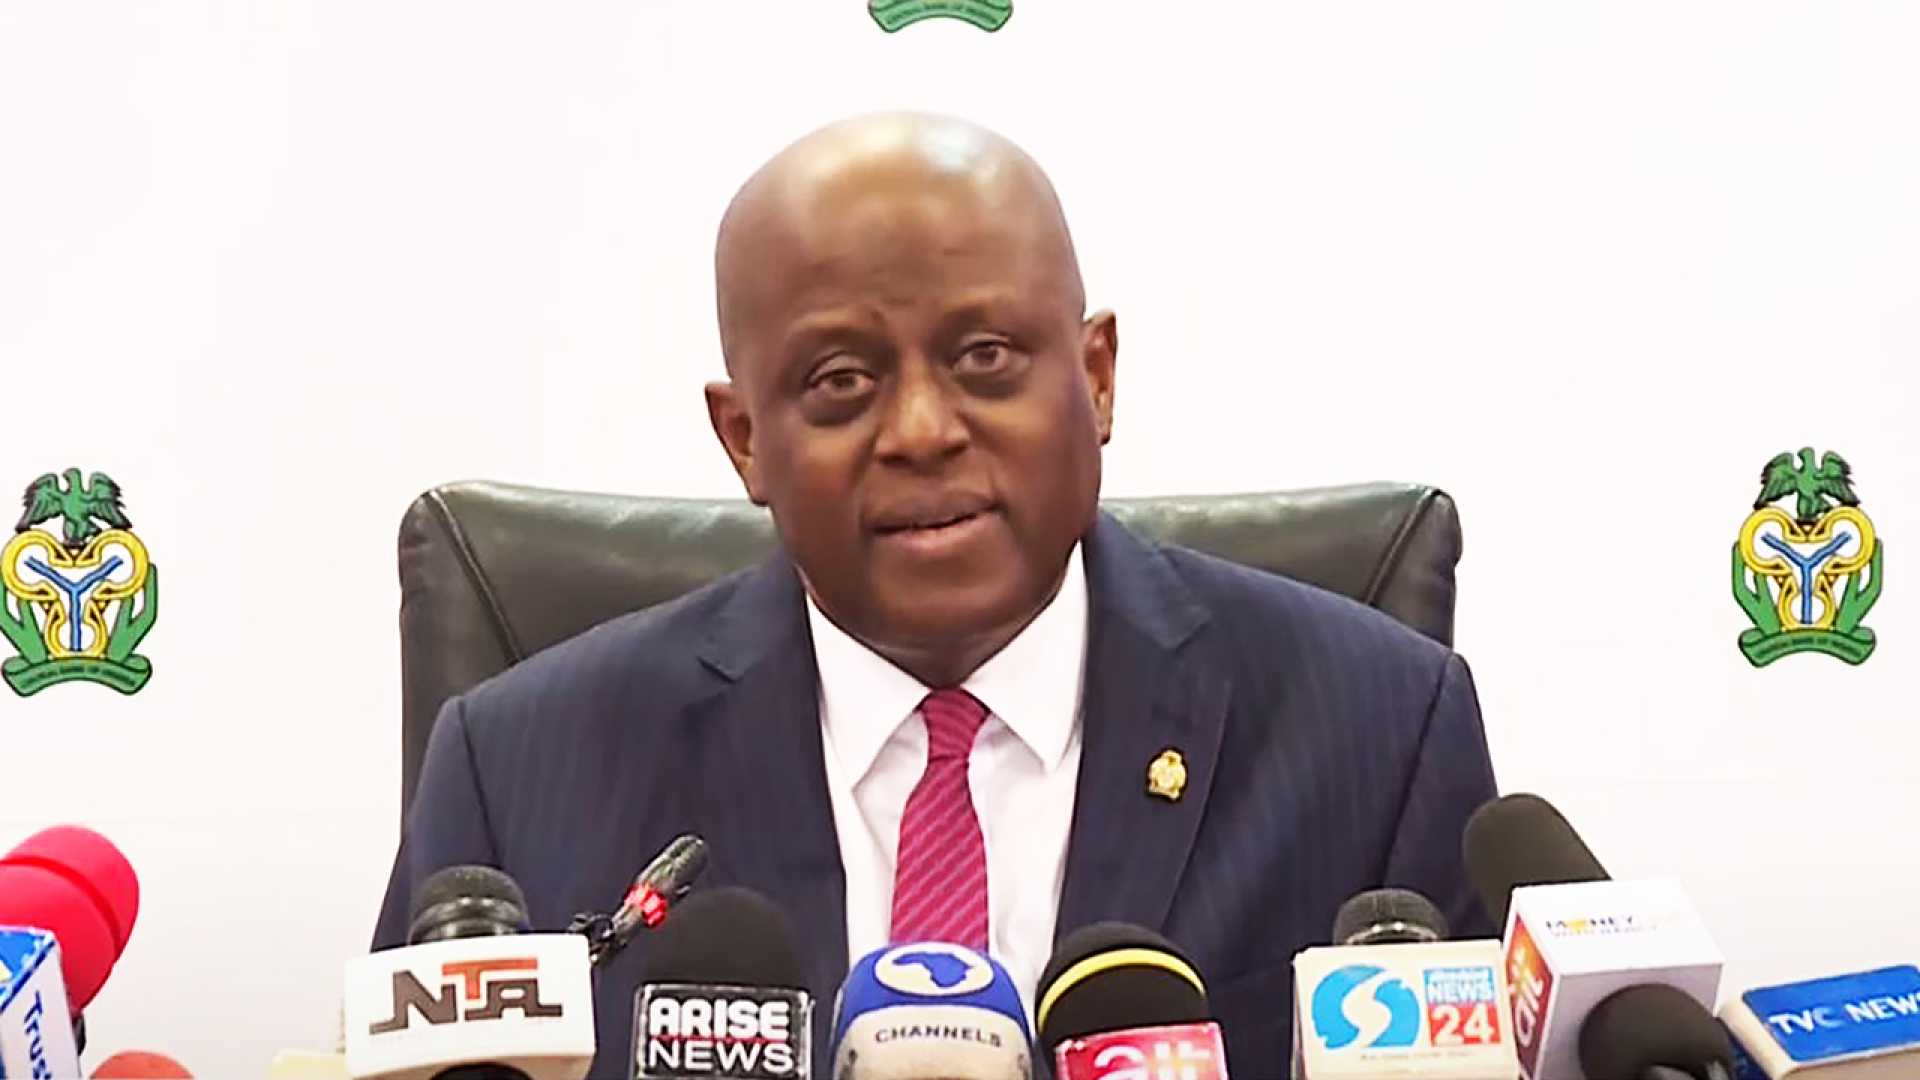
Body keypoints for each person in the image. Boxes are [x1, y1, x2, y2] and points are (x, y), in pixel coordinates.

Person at [373, 111, 1499, 1078]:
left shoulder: (1379, 729)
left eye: (986, 357)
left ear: (1096, 377)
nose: (920, 430)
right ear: (745, 438)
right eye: (841, 380)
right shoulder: (517, 769)